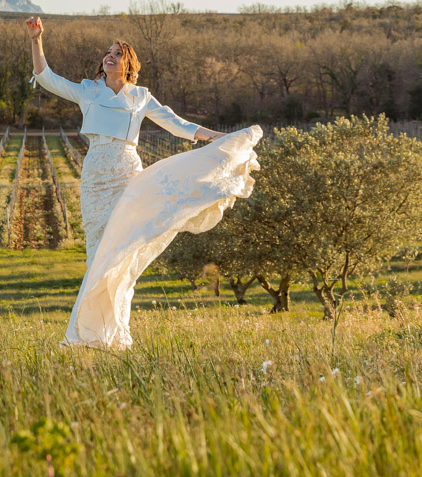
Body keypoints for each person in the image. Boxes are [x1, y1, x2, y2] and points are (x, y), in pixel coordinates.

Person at [26, 17, 260, 349]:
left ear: (129, 64)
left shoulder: (141, 97)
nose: (110, 56)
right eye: (107, 53)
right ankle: (88, 334)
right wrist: (36, 39)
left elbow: (178, 125)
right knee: (98, 254)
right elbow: (46, 77)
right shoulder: (87, 90)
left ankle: (117, 332)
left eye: (117, 54)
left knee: (122, 252)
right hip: (95, 176)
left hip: (126, 174)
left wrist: (221, 138)